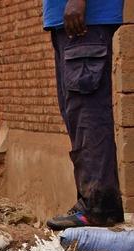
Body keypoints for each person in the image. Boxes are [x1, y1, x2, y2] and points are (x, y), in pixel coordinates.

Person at [44, 0, 124, 230]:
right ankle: (91, 203)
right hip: (69, 22)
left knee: (89, 114)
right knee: (77, 114)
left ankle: (99, 208)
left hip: (83, 19)